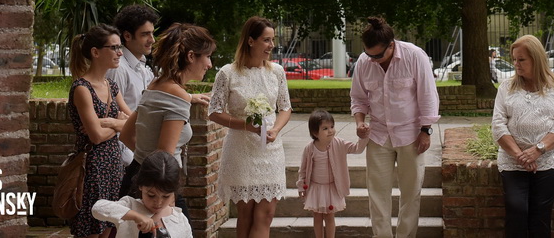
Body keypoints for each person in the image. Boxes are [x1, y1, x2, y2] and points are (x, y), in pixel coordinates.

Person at [350, 16, 440, 238]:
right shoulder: (364, 61)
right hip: (378, 135)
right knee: (377, 194)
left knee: (411, 193)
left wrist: (426, 130)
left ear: (392, 45)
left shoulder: (414, 56)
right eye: (369, 54)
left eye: (378, 55)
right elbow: (358, 99)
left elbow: (428, 96)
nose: (373, 60)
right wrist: (360, 122)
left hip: (411, 134)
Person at [119, 23, 215, 220]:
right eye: (207, 56)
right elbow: (165, 156)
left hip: (139, 178)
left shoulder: (156, 84)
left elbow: (126, 135)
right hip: (159, 187)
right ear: (190, 56)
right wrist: (164, 201)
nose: (209, 64)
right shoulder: (177, 96)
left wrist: (144, 159)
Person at [208, 16, 293, 238]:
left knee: (266, 215)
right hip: (240, 150)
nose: (271, 46)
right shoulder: (227, 73)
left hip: (270, 150)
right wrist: (245, 126)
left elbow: (285, 108)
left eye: (272, 40)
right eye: (266, 40)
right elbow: (214, 112)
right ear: (250, 41)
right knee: (244, 215)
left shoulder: (277, 72)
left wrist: (275, 129)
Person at [491, 34, 554, 238]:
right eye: (514, 59)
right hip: (513, 160)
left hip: (548, 160)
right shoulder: (506, 87)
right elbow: (498, 125)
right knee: (516, 209)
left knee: (540, 214)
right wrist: (520, 155)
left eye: (521, 59)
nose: (516, 64)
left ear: (536, 59)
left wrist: (538, 150)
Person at [67, 24, 133, 238]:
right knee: (91, 231)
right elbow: (95, 136)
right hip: (92, 170)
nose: (120, 52)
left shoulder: (111, 86)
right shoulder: (82, 89)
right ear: (96, 52)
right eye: (113, 48)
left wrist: (111, 123)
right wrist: (118, 124)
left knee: (108, 229)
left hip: (113, 167)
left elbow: (132, 123)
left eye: (119, 47)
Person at [296, 109, 370, 238]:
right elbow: (303, 169)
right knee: (317, 216)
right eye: (325, 128)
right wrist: (301, 185)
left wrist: (363, 137)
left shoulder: (339, 143)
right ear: (315, 132)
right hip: (316, 187)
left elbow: (357, 149)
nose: (330, 130)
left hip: (332, 187)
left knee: (329, 216)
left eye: (331, 127)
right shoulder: (310, 148)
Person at [92, 149, 191, 238]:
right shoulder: (130, 205)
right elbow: (98, 208)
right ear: (140, 186)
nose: (158, 202)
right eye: (151, 195)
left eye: (166, 196)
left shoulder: (179, 218)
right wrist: (135, 216)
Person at [108, 4, 158, 168]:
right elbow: (112, 114)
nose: (152, 39)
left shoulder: (144, 68)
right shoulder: (118, 69)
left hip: (139, 153)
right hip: (124, 158)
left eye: (152, 33)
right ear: (127, 36)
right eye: (145, 34)